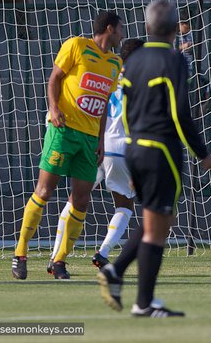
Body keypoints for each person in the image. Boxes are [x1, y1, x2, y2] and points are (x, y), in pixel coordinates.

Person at [97, 0, 211, 317]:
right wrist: (202, 153)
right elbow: (179, 112)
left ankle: (116, 271)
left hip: (133, 147)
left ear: (149, 27)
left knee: (157, 221)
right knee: (157, 227)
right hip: (160, 148)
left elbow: (124, 106)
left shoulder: (131, 61)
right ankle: (144, 302)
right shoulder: (173, 59)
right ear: (175, 29)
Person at [11, 11, 124, 280]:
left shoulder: (115, 63)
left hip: (88, 139)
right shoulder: (76, 45)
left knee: (81, 200)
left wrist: (100, 139)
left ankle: (59, 261)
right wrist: (54, 108)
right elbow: (55, 79)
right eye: (120, 29)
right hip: (63, 131)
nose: (122, 34)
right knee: (45, 190)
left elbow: (106, 103)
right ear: (109, 28)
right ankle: (20, 254)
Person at [47, 38, 145, 273]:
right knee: (125, 204)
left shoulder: (106, 73)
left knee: (75, 199)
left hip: (94, 143)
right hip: (121, 149)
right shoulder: (141, 83)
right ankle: (102, 253)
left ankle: (55, 254)